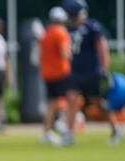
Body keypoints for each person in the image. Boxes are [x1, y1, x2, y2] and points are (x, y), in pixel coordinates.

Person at [63, 0, 122, 146]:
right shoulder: (69, 29)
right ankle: (69, 134)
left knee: (98, 103)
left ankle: (116, 128)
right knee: (71, 100)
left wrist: (104, 67)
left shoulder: (91, 27)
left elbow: (102, 46)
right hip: (75, 72)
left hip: (91, 72)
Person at [39, 7, 72, 146]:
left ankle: (49, 129)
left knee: (53, 102)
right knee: (64, 100)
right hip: (60, 72)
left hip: (47, 73)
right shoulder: (61, 33)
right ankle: (61, 126)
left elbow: (40, 55)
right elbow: (65, 53)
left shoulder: (45, 34)